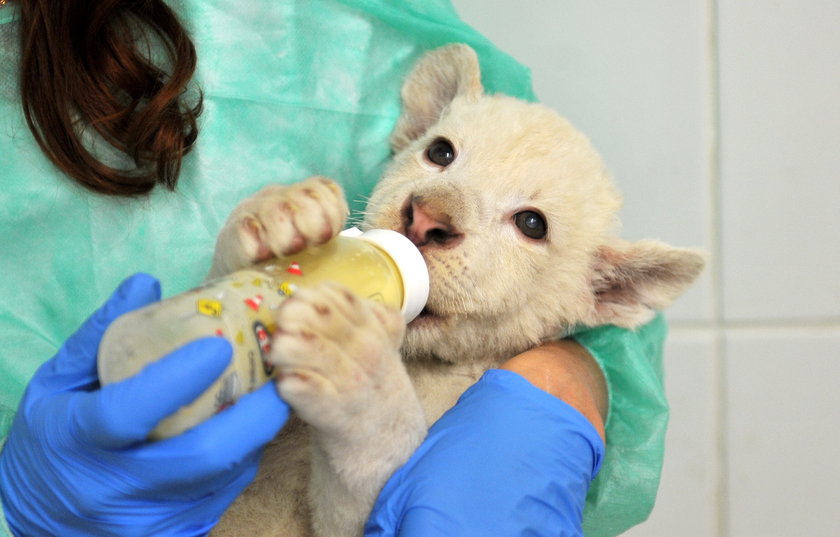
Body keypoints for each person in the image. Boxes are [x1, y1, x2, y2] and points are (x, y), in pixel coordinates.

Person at [0, 1, 669, 536]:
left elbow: (607, 365)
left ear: (605, 288)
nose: (430, 210)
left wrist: (558, 387)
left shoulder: (330, 26)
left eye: (529, 223)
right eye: (439, 154)